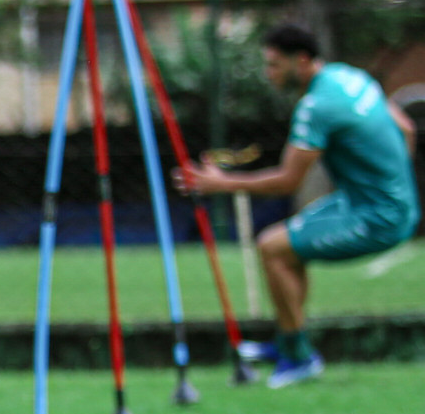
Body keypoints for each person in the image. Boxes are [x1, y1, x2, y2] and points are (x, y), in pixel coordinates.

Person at [179, 23, 418, 387]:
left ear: (301, 61)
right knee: (284, 249)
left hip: (378, 216)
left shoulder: (316, 106)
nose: (268, 73)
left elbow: (288, 181)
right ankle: (289, 344)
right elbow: (406, 128)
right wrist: (396, 181)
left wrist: (219, 183)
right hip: (378, 202)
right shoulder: (348, 76)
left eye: (274, 65)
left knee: (272, 247)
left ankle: (300, 357)